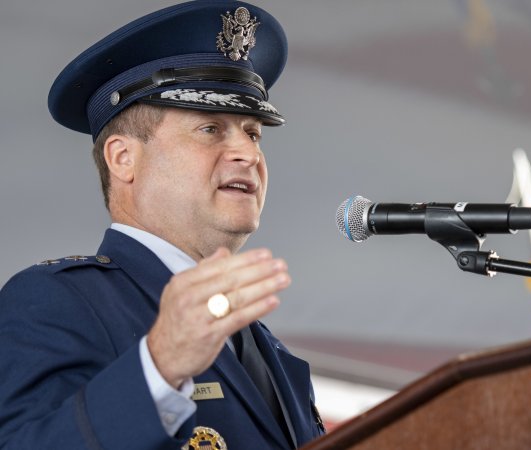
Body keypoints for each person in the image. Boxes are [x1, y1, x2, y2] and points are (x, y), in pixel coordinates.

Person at [0, 1, 325, 449]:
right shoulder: (55, 301)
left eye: (253, 133)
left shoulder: (267, 347)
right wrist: (159, 365)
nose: (248, 155)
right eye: (210, 129)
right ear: (123, 158)